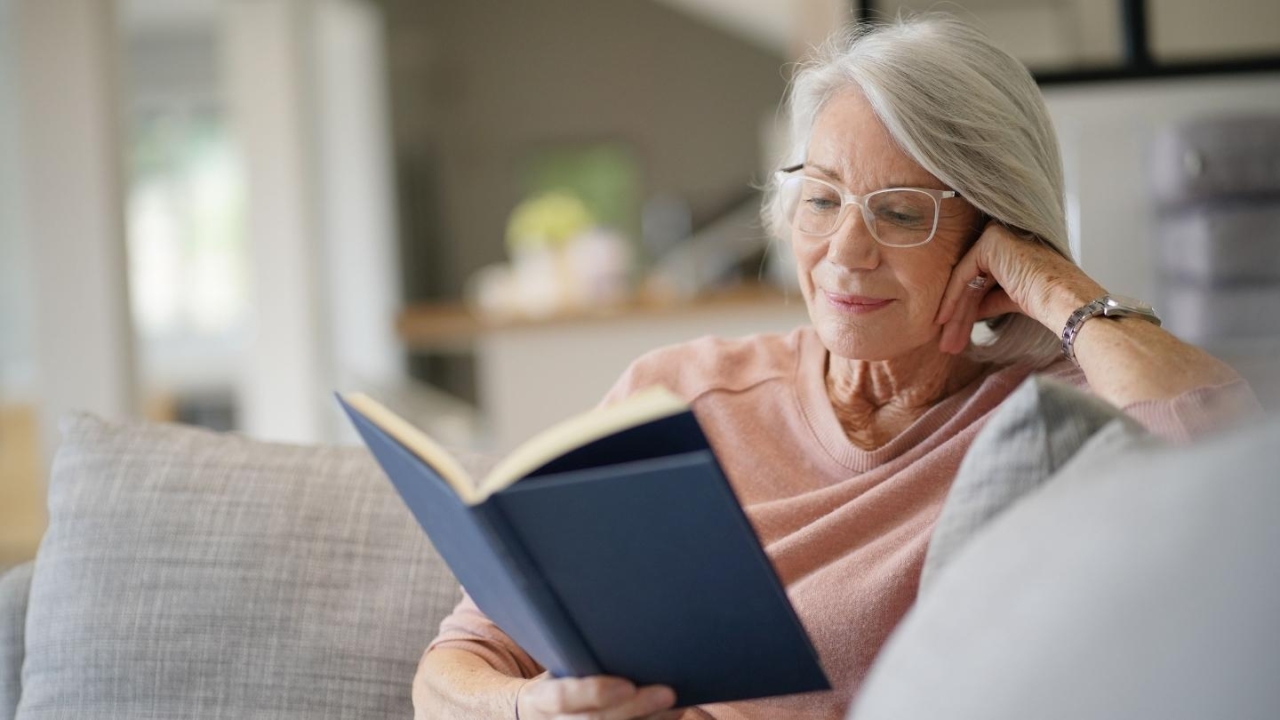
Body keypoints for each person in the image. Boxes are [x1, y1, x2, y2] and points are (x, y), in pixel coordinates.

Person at [412, 15, 1261, 720]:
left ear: (994, 238)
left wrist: (1051, 281)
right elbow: (456, 664)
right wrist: (531, 709)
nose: (845, 253)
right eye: (821, 199)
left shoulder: (1053, 423)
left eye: (901, 213)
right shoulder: (677, 390)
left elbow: (1235, 472)